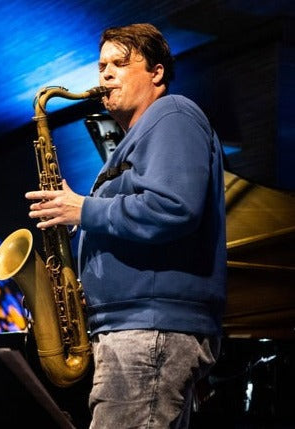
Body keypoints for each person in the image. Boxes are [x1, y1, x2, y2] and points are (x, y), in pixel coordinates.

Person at [25, 23, 226, 429]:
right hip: (136, 331)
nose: (106, 75)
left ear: (157, 73)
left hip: (148, 331)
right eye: (102, 67)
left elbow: (172, 208)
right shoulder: (138, 138)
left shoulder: (172, 114)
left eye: (119, 63)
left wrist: (84, 210)